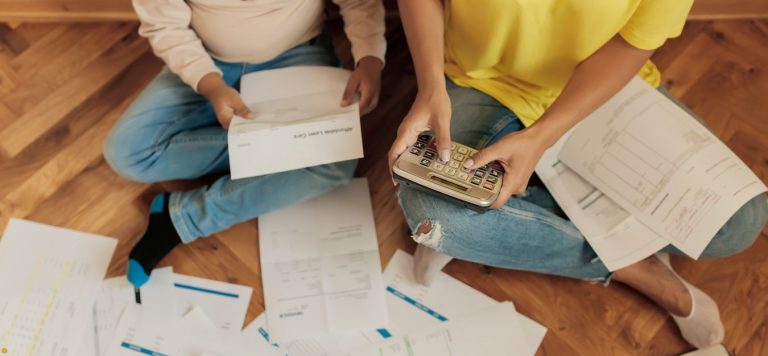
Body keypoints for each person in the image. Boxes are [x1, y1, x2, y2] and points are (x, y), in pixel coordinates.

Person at [388, 0, 768, 349]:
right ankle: (632, 267)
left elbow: (634, 43)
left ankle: (511, 227)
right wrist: (430, 87)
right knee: (436, 221)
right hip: (479, 80)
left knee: (741, 222)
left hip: (593, 88)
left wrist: (542, 136)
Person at [104, 0, 385, 288]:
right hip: (206, 59)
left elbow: (360, 1)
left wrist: (370, 58)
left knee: (336, 159)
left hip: (298, 54)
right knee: (125, 152)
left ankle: (183, 218)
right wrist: (209, 84)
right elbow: (165, 25)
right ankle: (274, 145)